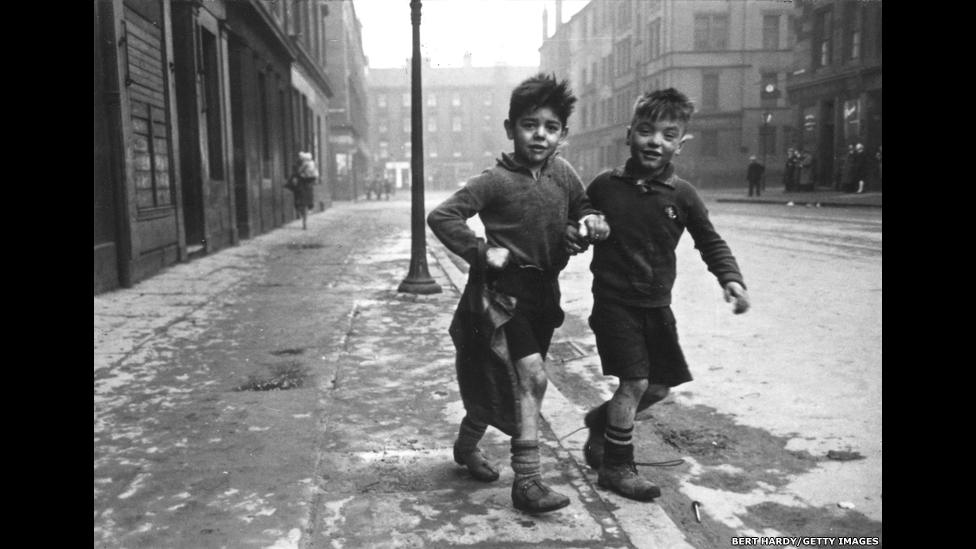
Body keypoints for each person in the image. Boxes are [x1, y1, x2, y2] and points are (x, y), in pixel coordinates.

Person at [427, 73, 610, 514]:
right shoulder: (494, 180)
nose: (540, 135)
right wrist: (480, 251)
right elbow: (442, 216)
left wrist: (587, 226)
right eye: (530, 125)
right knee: (531, 378)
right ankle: (527, 483)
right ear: (511, 128)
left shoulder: (563, 174)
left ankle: (466, 446)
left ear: (563, 135)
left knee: (504, 385)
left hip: (541, 295)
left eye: (550, 127)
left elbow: (583, 210)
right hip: (498, 297)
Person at [569, 88, 751, 502]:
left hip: (657, 306)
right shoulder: (604, 186)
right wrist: (583, 225)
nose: (656, 141)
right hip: (615, 304)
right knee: (634, 383)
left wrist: (730, 278)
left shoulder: (681, 195)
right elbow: (576, 220)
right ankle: (617, 467)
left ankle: (600, 422)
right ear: (629, 134)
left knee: (658, 388)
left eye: (668, 135)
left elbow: (710, 241)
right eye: (647, 131)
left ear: (680, 144)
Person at [287, 152, 318, 230]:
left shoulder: (301, 165)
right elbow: (315, 176)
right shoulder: (312, 164)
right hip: (308, 187)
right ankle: (304, 220)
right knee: (305, 204)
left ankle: (304, 220)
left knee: (301, 204)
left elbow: (297, 174)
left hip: (301, 187)